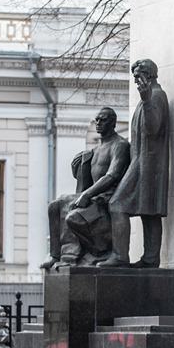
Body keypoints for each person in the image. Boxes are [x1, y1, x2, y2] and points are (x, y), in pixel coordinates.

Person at [40, 107, 129, 269]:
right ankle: (55, 255)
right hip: (93, 196)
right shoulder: (94, 150)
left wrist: (87, 195)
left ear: (114, 123)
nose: (99, 123)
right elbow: (84, 183)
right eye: (97, 120)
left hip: (107, 199)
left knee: (72, 217)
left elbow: (112, 175)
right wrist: (79, 168)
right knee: (54, 206)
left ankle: (94, 252)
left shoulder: (120, 145)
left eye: (104, 120)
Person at [102, 58, 170, 268]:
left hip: (148, 165)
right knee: (149, 212)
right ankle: (150, 259)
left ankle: (122, 256)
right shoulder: (147, 99)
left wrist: (147, 99)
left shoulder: (156, 97)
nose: (135, 81)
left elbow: (153, 128)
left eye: (138, 76)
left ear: (148, 75)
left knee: (118, 204)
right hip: (142, 161)